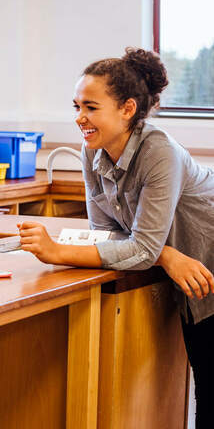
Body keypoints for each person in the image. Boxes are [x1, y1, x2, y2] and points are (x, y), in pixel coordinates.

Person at [17, 47, 214, 427]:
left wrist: (57, 252)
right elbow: (107, 234)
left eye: (90, 107)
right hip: (188, 269)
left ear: (127, 109)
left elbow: (136, 245)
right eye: (76, 106)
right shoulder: (93, 152)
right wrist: (165, 255)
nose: (79, 118)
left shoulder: (160, 152)